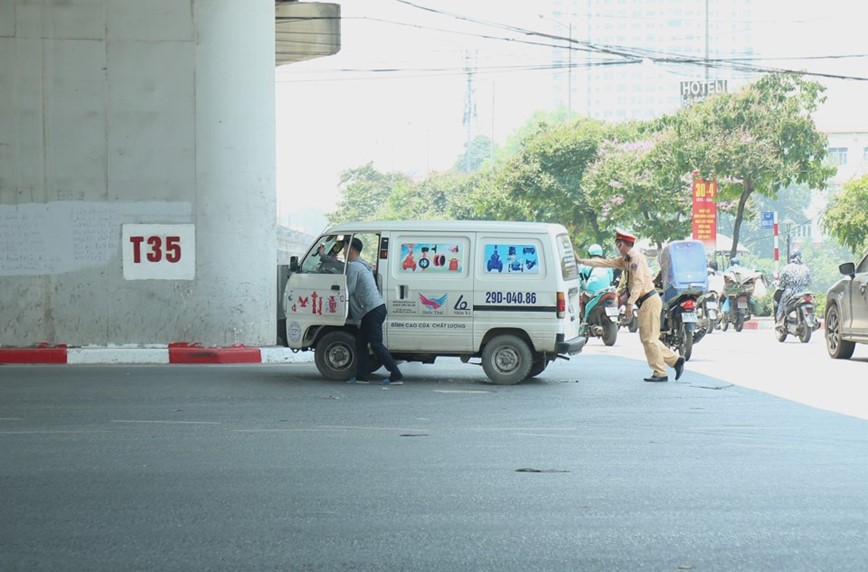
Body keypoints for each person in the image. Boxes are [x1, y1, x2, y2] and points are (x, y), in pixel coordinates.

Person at [577, 230, 685, 382]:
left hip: (649, 300)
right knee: (647, 338)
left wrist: (629, 304)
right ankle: (675, 361)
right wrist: (582, 261)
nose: (617, 247)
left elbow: (639, 283)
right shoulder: (626, 259)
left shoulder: (635, 258)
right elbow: (605, 262)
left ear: (622, 244)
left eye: (618, 244)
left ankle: (661, 372)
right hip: (646, 302)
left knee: (649, 339)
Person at [344, 237, 403, 385]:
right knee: (361, 343)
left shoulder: (354, 267)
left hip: (372, 310)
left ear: (350, 250)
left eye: (344, 248)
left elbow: (348, 289)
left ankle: (396, 374)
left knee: (376, 344)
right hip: (374, 309)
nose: (343, 252)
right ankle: (361, 377)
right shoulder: (363, 265)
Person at [776, 250, 812, 323]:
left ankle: (779, 320)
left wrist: (780, 284)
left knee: (782, 305)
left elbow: (781, 282)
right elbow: (809, 282)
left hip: (790, 292)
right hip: (804, 293)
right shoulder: (806, 268)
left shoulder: (786, 268)